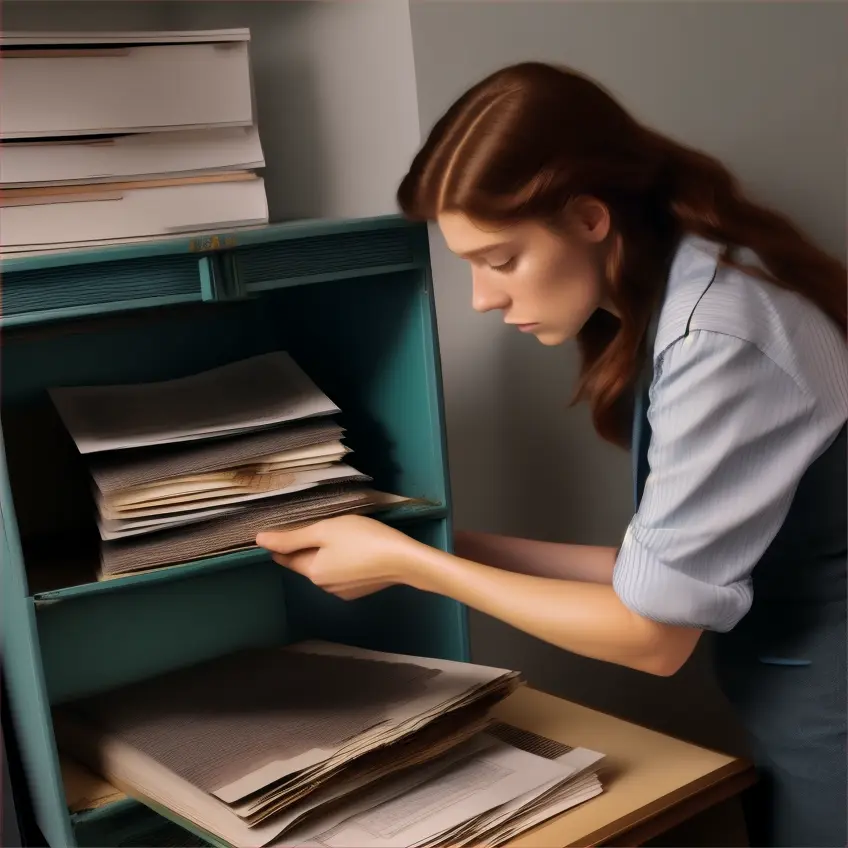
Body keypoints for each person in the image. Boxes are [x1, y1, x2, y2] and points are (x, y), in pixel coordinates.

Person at [257, 63, 847, 847]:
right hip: (799, 702)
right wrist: (436, 544)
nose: (482, 298)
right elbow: (655, 577)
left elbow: (651, 635)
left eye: (500, 260)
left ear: (590, 218)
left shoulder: (717, 339)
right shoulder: (689, 293)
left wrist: (417, 568)